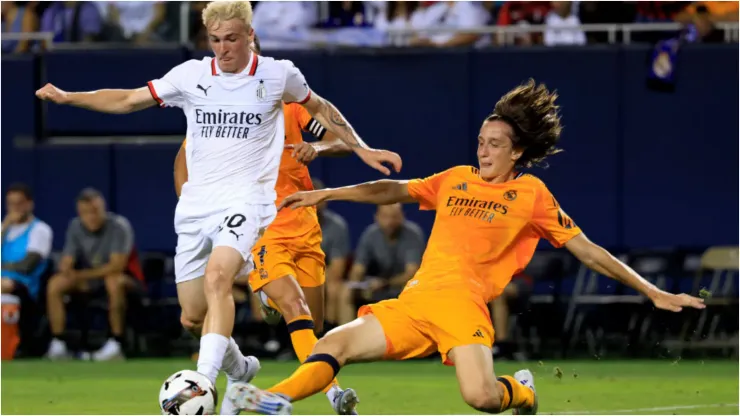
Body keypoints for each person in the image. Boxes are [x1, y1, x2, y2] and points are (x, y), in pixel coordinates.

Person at [225, 79, 706, 415]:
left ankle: (519, 392)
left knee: (480, 398)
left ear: (516, 151)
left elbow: (588, 250)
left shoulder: (532, 196)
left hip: (463, 308)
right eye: (480, 141)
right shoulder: (455, 180)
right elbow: (391, 190)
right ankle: (274, 399)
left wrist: (654, 292)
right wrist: (328, 193)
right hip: (414, 304)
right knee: (333, 344)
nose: (483, 150)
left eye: (495, 143)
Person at [35, 1, 401, 413]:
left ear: (249, 35)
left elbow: (322, 108)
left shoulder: (279, 74)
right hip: (197, 208)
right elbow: (127, 100)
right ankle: (240, 367)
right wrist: (69, 97)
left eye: (230, 39)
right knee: (192, 317)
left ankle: (203, 384)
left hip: (252, 202)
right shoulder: (190, 76)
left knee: (221, 278)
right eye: (214, 40)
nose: (222, 49)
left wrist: (362, 149)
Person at [174, 32, 360, 415]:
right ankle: (333, 394)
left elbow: (344, 138)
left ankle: (256, 321)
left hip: (303, 219)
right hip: (257, 219)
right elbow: (185, 160)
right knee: (292, 305)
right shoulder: (220, 113)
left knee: (313, 320)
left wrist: (319, 147)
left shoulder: (290, 105)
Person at [45, 188, 145, 361]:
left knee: (113, 281)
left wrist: (81, 276)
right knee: (56, 283)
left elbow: (116, 266)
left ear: (103, 208)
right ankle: (59, 343)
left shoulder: (119, 226)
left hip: (127, 281)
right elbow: (67, 260)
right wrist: (67, 269)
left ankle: (116, 343)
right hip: (91, 280)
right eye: (85, 213)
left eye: (95, 211)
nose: (91, 217)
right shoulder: (75, 226)